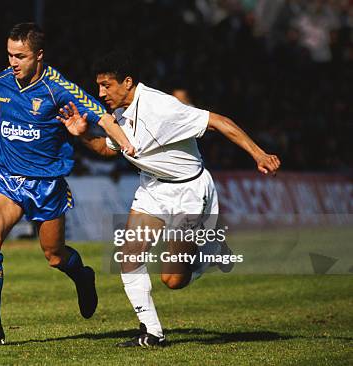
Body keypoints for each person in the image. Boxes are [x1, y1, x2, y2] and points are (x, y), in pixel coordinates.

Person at [57, 51, 280, 347]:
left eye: (107, 85)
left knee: (172, 280)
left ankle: (206, 255)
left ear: (127, 82)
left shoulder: (161, 107)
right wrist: (83, 135)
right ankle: (152, 333)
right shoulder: (117, 116)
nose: (101, 93)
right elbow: (110, 150)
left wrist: (259, 154)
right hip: (153, 189)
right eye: (98, 86)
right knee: (129, 254)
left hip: (189, 191)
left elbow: (219, 121)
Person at [0, 23, 135, 345]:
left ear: (39, 56)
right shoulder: (1, 84)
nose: (13, 62)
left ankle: (82, 276)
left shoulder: (58, 87)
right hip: (7, 178)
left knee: (55, 256)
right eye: (9, 55)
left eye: (21, 55)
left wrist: (127, 146)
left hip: (46, 184)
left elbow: (103, 117)